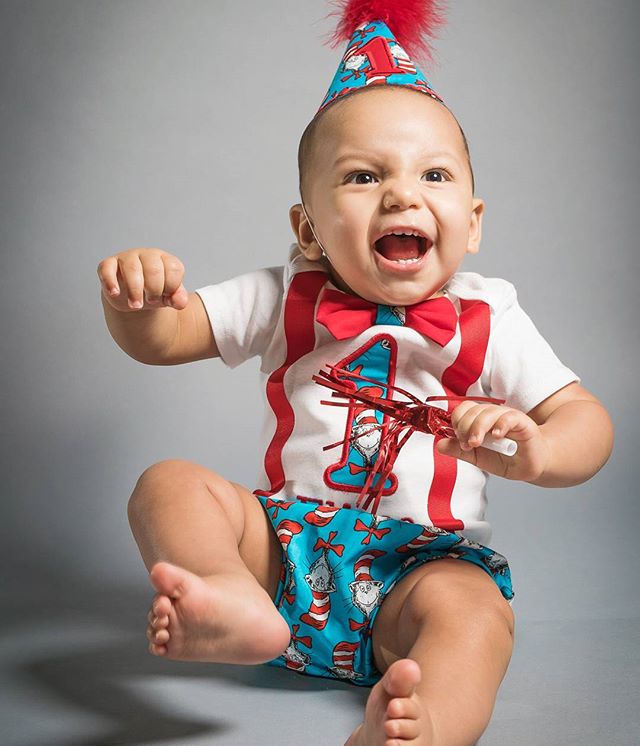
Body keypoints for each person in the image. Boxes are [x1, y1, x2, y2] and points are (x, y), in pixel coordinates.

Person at [97, 7, 614, 745]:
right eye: (364, 176)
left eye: (433, 174)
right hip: (286, 547)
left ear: (472, 222)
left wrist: (540, 448)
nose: (403, 195)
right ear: (308, 228)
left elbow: (588, 421)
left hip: (421, 567)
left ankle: (422, 724)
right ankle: (226, 596)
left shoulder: (491, 315)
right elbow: (165, 338)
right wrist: (136, 303)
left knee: (474, 614)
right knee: (167, 485)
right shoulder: (284, 295)